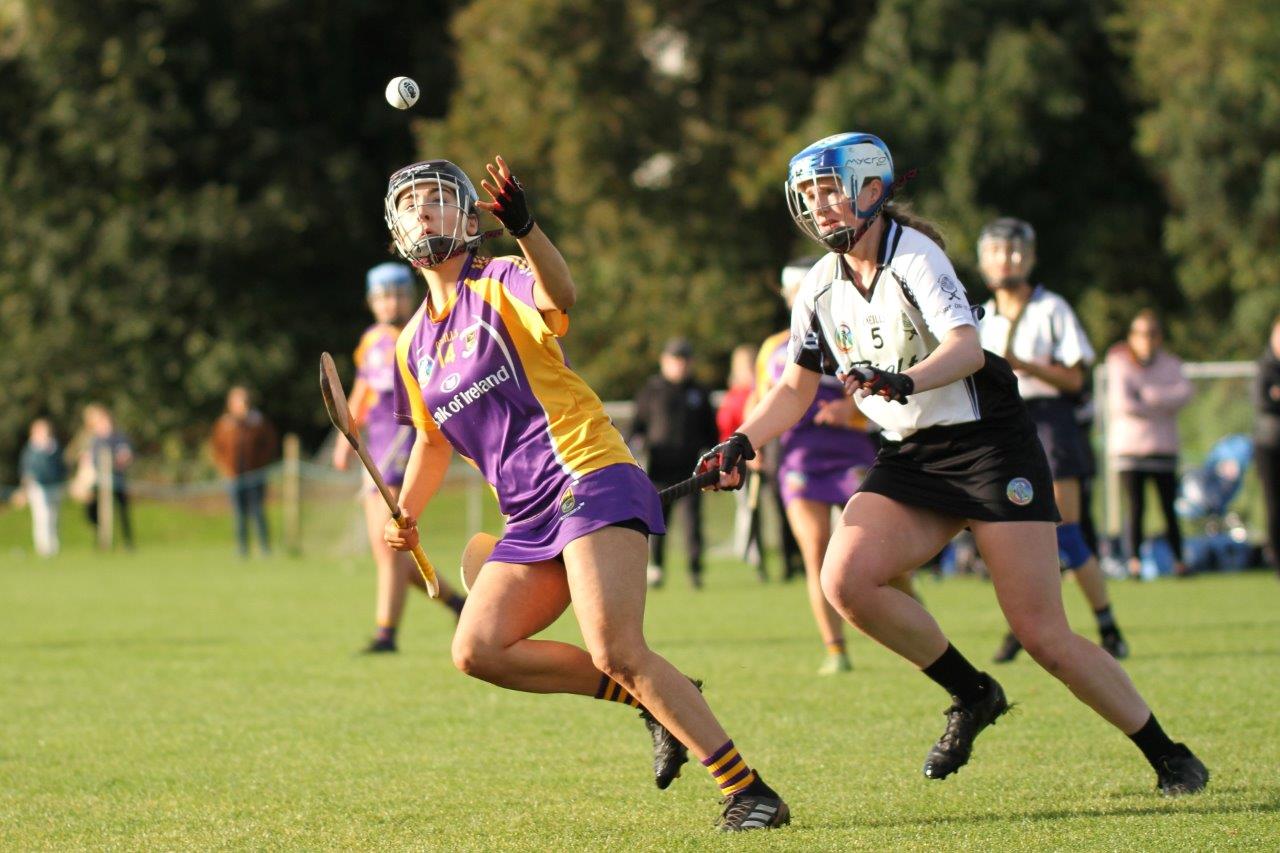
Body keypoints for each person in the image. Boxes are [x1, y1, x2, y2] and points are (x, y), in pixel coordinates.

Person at [700, 132, 1207, 796]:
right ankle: (973, 693)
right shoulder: (821, 285)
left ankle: (1168, 753)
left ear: (872, 191)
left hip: (989, 446)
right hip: (913, 456)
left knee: (1043, 635)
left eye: (829, 190)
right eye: (808, 195)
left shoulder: (916, 257)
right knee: (845, 580)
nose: (819, 207)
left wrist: (904, 381)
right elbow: (794, 387)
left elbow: (967, 349)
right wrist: (742, 440)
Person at [380, 155, 788, 830]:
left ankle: (750, 792)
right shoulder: (410, 346)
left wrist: (527, 227)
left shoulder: (502, 278)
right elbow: (431, 440)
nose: (423, 210)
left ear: (469, 217)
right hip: (526, 513)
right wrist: (407, 510)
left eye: (437, 198)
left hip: (587, 472)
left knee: (616, 648)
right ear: (394, 229)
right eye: (409, 203)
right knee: (477, 649)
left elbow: (561, 294)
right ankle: (653, 701)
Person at [976, 218, 1130, 663]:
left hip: (1050, 424)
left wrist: (1025, 364)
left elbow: (1075, 378)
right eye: (998, 251)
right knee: (1010, 538)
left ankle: (1107, 624)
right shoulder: (976, 316)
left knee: (1066, 533)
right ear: (984, 260)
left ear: (1032, 256)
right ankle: (1021, 630)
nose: (1008, 260)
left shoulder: (1052, 309)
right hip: (1002, 428)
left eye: (1016, 250)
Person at [753, 258, 887, 675]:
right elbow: (765, 400)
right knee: (815, 549)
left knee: (877, 550)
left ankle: (910, 620)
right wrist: (752, 444)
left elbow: (887, 390)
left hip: (851, 452)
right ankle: (835, 649)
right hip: (799, 457)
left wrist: (852, 410)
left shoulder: (854, 336)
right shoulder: (773, 348)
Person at [332, 262, 466, 652]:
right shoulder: (371, 340)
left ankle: (386, 634)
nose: (392, 303)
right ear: (372, 302)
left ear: (410, 296)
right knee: (388, 550)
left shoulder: (417, 335)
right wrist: (346, 437)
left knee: (387, 546)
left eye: (398, 295)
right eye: (384, 297)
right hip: (374, 450)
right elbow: (360, 393)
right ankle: (457, 603)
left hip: (401, 449)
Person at [1105, 310, 1193, 578]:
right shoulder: (1119, 362)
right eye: (1142, 334)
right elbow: (1123, 403)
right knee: (1135, 509)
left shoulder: (1171, 363)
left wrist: (1150, 396)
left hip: (1164, 448)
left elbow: (1184, 393)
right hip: (1130, 451)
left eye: (1153, 334)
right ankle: (1134, 562)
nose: (1147, 339)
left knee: (1169, 508)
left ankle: (1179, 561)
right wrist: (1162, 402)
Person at [630, 337, 720, 589]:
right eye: (675, 360)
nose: (680, 365)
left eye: (684, 360)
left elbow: (711, 433)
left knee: (693, 523)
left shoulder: (700, 393)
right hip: (659, 469)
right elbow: (637, 427)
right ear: (664, 361)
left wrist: (713, 463)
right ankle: (656, 568)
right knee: (657, 522)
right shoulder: (652, 391)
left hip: (692, 471)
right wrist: (636, 446)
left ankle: (695, 570)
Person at [716, 343, 766, 580]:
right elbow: (726, 428)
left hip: (764, 457)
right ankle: (749, 552)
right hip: (740, 460)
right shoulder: (734, 397)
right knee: (747, 508)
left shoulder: (764, 390)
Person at [211, 386, 278, 558]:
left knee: (258, 512)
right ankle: (242, 549)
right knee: (239, 515)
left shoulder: (258, 423)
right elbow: (217, 449)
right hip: (234, 477)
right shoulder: (224, 425)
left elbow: (269, 445)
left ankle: (264, 548)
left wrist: (261, 465)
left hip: (255, 476)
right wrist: (224, 468)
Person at [81, 403, 134, 549]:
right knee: (92, 509)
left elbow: (126, 454)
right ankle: (100, 539)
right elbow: (87, 459)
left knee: (122, 511)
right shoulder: (94, 441)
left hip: (117, 480)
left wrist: (122, 458)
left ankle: (127, 541)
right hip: (99, 481)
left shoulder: (119, 437)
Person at [1253, 315, 1280, 575]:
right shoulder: (1265, 367)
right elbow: (1263, 401)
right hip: (1270, 444)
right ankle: (1276, 558)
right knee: (1273, 505)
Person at [19, 418, 67, 557]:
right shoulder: (31, 449)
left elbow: (61, 467)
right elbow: (26, 469)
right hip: (38, 487)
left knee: (54, 517)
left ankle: (54, 546)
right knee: (42, 517)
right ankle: (43, 548)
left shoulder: (55, 447)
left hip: (55, 486)